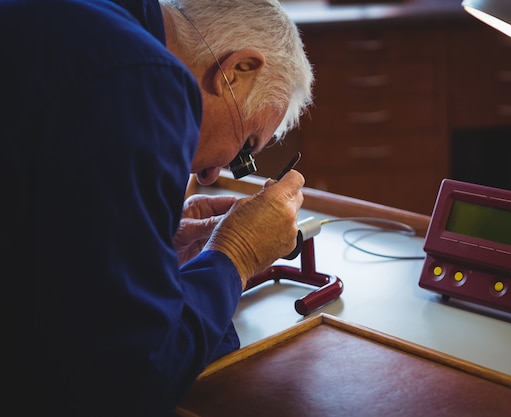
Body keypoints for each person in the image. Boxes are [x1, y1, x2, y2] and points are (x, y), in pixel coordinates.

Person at [4, 0, 313, 415]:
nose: (211, 175)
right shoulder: (145, 80)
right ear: (237, 70)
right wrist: (236, 255)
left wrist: (143, 243)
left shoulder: (85, 21)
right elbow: (132, 375)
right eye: (244, 148)